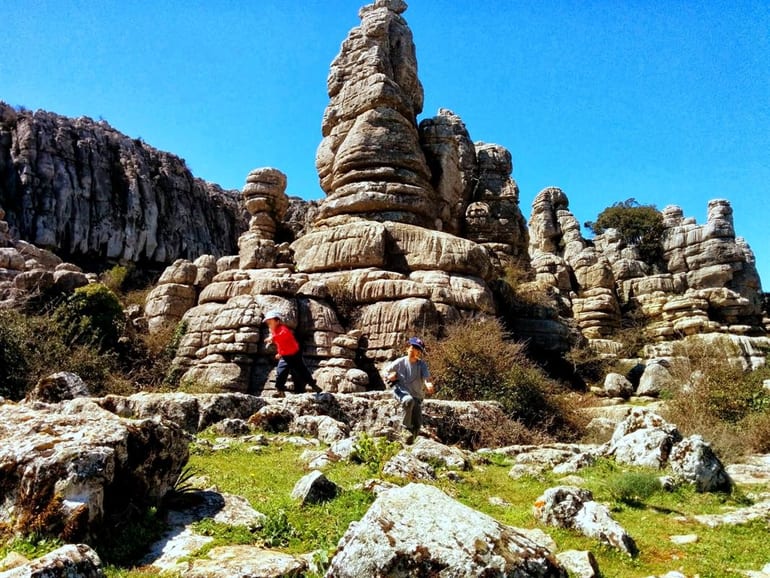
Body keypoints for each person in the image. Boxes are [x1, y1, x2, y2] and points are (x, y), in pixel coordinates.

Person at [384, 336, 435, 444]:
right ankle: (405, 428)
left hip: (417, 396)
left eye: (416, 348)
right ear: (407, 348)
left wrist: (428, 384)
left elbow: (427, 379)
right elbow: (386, 371)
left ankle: (411, 443)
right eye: (411, 347)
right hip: (401, 392)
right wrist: (390, 376)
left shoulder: (421, 365)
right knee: (408, 400)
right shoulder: (400, 361)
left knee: (417, 423)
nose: (413, 349)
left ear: (419, 352)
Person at [263, 309, 322, 397]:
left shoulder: (283, 329)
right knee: (281, 372)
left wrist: (272, 338)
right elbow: (281, 345)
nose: (269, 324)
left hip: (294, 354)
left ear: (277, 321)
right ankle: (280, 391)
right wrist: (279, 353)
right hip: (285, 356)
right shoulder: (275, 332)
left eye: (270, 322)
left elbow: (284, 336)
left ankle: (313, 385)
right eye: (268, 323)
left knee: (302, 370)